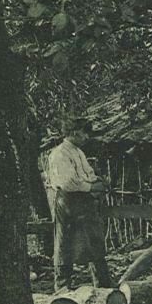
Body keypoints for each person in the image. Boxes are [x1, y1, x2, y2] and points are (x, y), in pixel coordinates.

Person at [45, 116, 112, 292]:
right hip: (69, 200)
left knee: (95, 240)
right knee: (65, 242)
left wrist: (97, 181)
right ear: (74, 133)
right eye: (84, 133)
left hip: (84, 199)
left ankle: (103, 286)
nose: (86, 137)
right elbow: (67, 182)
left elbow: (88, 173)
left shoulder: (78, 151)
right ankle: (62, 287)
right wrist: (90, 187)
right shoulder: (59, 154)